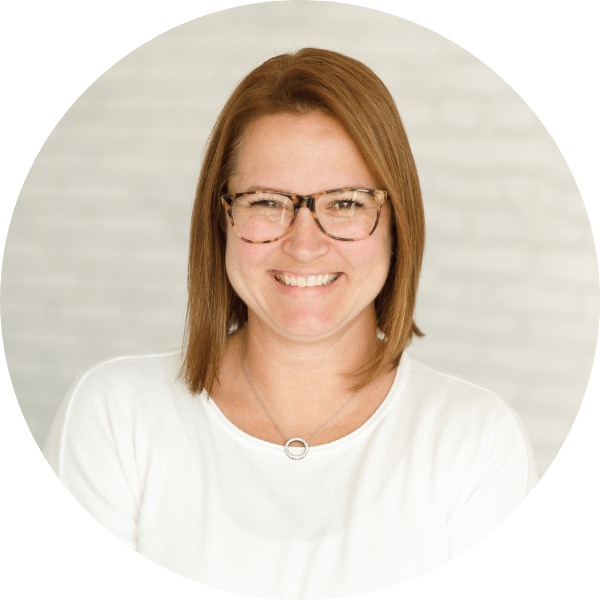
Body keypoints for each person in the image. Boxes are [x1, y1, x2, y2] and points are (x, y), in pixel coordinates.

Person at [42, 48, 538, 597]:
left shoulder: (474, 441)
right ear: (222, 219)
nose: (304, 244)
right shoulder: (116, 417)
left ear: (398, 224)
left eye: (346, 203)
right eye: (267, 203)